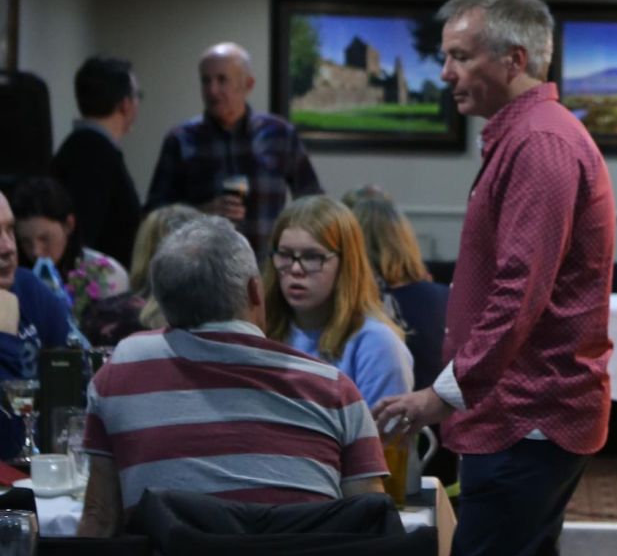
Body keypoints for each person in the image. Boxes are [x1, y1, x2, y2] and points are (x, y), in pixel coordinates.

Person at [376, 0, 616, 556]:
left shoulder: (542, 143)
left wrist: (440, 392)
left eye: (459, 55)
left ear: (514, 59)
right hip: (532, 410)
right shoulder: (528, 134)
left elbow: (520, 292)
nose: (444, 72)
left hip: (528, 412)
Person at [78, 216, 386, 533]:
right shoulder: (333, 390)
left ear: (163, 301)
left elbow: (100, 518)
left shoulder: (122, 370)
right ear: (255, 291)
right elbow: (371, 526)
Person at [145, 42, 320, 261]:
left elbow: (313, 201)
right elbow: (154, 217)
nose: (212, 90)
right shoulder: (180, 139)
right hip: (202, 270)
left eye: (222, 80)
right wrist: (200, 213)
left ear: (248, 84)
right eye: (205, 81)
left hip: (268, 268)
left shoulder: (280, 134)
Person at [263, 195, 413, 411]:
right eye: (285, 255)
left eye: (312, 257)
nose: (295, 269)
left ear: (346, 264)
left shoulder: (377, 344)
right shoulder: (261, 332)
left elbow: (380, 432)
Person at [343, 186, 450, 392]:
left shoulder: (349, 306)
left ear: (350, 247)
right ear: (406, 240)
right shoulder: (447, 298)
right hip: (441, 409)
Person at [50, 54, 143, 267]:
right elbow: (83, 240)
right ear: (125, 104)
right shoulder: (94, 154)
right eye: (137, 96)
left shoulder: (82, 148)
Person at [0, 190, 72, 462]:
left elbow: (73, 380)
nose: (8, 247)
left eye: (10, 230)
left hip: (43, 469)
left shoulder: (29, 288)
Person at [9, 175, 131, 327]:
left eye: (45, 239)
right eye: (25, 241)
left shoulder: (106, 274)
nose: (36, 251)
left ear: (69, 225)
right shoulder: (13, 276)